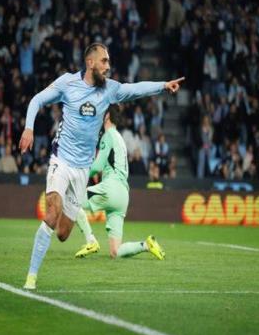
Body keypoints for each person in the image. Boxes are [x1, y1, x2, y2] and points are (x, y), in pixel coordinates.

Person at [19, 42, 184, 289]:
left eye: (108, 61)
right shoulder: (67, 83)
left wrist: (162, 85)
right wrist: (28, 128)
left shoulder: (109, 90)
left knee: (63, 234)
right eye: (104, 61)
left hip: (82, 169)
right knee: (52, 213)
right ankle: (31, 278)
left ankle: (66, 214)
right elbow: (36, 100)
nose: (108, 66)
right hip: (61, 160)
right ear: (90, 62)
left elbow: (135, 89)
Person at [74, 105, 165, 260]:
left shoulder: (108, 135)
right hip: (123, 195)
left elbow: (97, 166)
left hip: (111, 188)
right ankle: (146, 245)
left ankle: (91, 241)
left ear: (107, 116)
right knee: (115, 251)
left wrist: (79, 175)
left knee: (72, 202)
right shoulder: (120, 138)